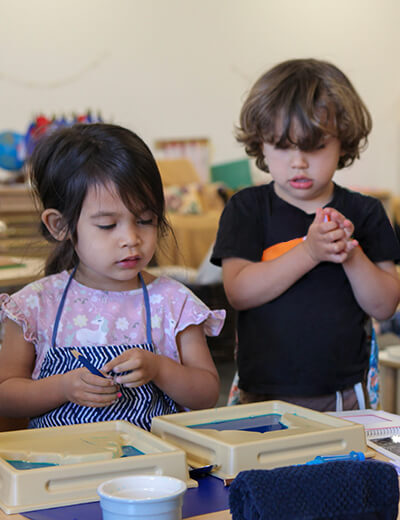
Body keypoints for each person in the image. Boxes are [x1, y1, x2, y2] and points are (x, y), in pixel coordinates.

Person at [0, 123, 225, 430]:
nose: (131, 238)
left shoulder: (174, 303)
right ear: (59, 225)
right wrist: (61, 388)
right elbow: (6, 396)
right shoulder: (34, 306)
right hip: (60, 469)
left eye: (144, 220)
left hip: (151, 470)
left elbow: (207, 394)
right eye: (107, 225)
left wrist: (159, 368)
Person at [211, 58, 400, 411]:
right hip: (262, 391)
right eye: (283, 146)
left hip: (345, 393)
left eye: (313, 146)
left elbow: (384, 304)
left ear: (343, 143)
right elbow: (239, 292)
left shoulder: (366, 212)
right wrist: (310, 252)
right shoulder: (247, 208)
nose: (298, 162)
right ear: (261, 145)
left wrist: (351, 254)